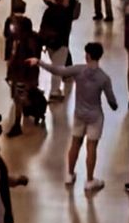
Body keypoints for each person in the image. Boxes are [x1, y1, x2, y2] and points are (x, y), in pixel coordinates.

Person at [34, 43, 118, 191]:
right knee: (91, 148)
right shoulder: (103, 78)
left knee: (75, 144)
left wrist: (39, 62)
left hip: (79, 114)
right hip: (95, 117)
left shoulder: (79, 70)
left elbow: (58, 70)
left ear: (88, 56)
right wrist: (114, 105)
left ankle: (69, 174)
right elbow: (112, 101)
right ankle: (90, 180)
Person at [38, 0, 79, 101]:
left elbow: (43, 26)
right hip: (60, 43)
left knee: (57, 64)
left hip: (49, 43)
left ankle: (60, 84)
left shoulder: (49, 11)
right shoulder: (65, 14)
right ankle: (54, 92)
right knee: (58, 67)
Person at [5, 15, 42, 136]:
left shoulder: (28, 41)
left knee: (19, 99)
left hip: (24, 75)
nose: (13, 27)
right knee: (19, 97)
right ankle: (33, 110)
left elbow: (25, 59)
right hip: (21, 75)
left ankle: (17, 124)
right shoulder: (18, 39)